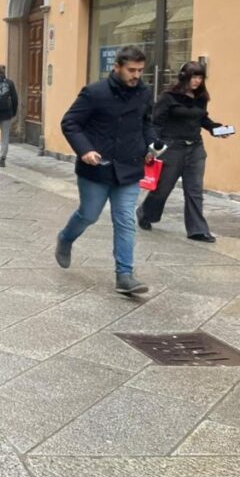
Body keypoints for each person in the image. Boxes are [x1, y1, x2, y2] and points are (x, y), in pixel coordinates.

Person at [55, 45, 164, 295]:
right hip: (97, 167)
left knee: (125, 219)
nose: (136, 75)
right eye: (131, 70)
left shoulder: (144, 93)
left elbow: (146, 123)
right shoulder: (95, 92)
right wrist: (85, 150)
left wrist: (152, 144)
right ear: (117, 67)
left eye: (140, 70)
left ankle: (125, 274)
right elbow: (70, 123)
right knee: (89, 215)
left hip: (130, 166)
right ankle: (65, 238)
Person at [137, 61, 231, 242]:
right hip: (172, 147)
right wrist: (152, 147)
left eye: (200, 77)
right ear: (183, 77)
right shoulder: (168, 97)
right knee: (163, 188)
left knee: (194, 190)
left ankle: (198, 230)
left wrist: (217, 129)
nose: (196, 81)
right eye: (193, 77)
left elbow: (203, 119)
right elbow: (156, 123)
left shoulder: (201, 98)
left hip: (195, 148)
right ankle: (145, 213)